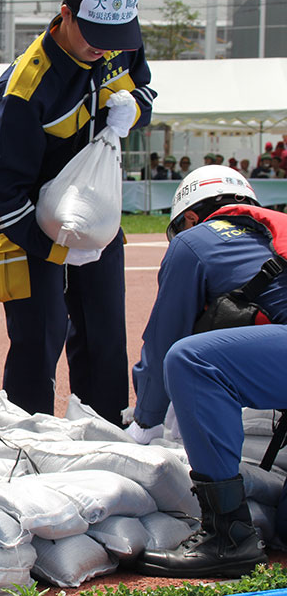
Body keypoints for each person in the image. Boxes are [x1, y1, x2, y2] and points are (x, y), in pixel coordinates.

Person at [0, 0, 156, 425]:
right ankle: (28, 442)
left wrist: (132, 109)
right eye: (92, 34)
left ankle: (106, 432)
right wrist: (53, 250)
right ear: (65, 15)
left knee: (105, 332)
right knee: (40, 336)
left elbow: (147, 91)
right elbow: (0, 190)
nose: (103, 48)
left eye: (114, 38)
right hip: (30, 225)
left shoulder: (119, 45)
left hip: (97, 220)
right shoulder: (21, 91)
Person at [128, 165, 277, 577]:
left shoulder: (196, 242)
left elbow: (163, 341)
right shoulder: (272, 235)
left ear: (190, 217)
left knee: (193, 358)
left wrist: (146, 423)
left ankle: (229, 537)